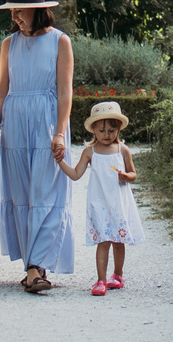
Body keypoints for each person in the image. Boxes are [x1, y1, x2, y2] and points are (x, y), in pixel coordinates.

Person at [0, 0, 73, 294]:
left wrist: (60, 132)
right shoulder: (9, 44)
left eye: (19, 10)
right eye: (12, 11)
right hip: (16, 121)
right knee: (21, 194)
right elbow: (1, 92)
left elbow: (64, 90)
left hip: (47, 122)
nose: (15, 17)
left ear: (37, 10)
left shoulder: (61, 42)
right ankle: (33, 266)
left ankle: (37, 265)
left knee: (47, 192)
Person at [57, 100, 142, 296]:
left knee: (118, 241)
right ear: (93, 129)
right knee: (103, 241)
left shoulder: (122, 150)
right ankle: (101, 280)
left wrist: (126, 176)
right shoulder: (90, 152)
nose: (106, 135)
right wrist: (60, 161)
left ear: (119, 129)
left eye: (112, 130)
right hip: (99, 203)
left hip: (119, 202)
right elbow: (76, 174)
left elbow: (133, 174)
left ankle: (118, 275)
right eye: (102, 130)